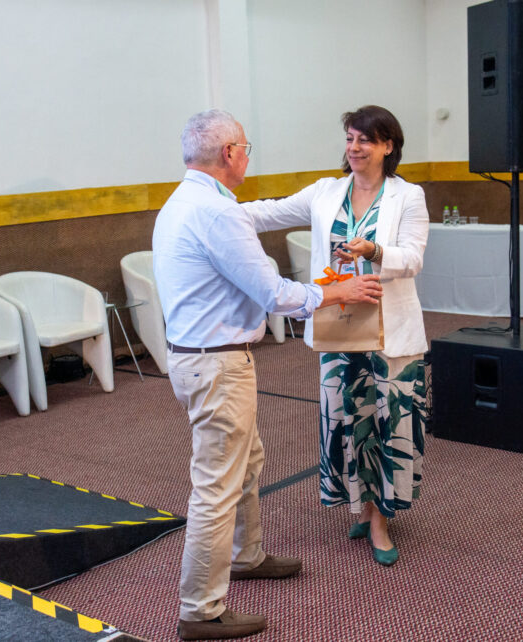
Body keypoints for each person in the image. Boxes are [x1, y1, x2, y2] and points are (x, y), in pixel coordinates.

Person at [153, 109, 383, 641]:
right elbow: (275, 294)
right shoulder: (218, 213)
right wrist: (337, 291)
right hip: (217, 364)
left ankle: (246, 555)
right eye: (246, 148)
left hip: (200, 357)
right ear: (230, 153)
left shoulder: (184, 201)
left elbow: (257, 250)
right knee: (216, 487)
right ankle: (199, 611)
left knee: (247, 461)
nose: (247, 157)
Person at [241, 105, 429, 567]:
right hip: (339, 329)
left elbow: (412, 258)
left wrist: (375, 249)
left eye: (365, 139)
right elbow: (268, 213)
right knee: (348, 422)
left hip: (389, 335)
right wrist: (211, 209)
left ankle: (381, 520)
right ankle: (361, 506)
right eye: (349, 138)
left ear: (388, 145)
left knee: (387, 425)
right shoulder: (326, 191)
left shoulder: (408, 196)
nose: (354, 148)